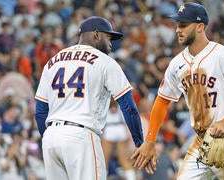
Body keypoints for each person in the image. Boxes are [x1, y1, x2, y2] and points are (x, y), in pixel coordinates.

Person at [131, 2, 224, 179]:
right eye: (177, 25)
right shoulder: (176, 64)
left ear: (200, 27)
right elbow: (162, 100)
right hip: (201, 140)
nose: (178, 29)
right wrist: (150, 139)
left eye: (183, 25)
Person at [34, 16, 144, 180]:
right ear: (97, 34)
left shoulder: (53, 61)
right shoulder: (105, 61)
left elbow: (40, 111)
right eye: (108, 37)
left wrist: (50, 138)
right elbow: (129, 107)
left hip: (51, 138)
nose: (111, 43)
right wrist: (139, 143)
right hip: (81, 136)